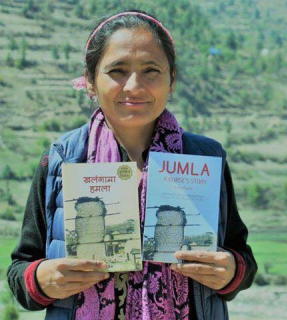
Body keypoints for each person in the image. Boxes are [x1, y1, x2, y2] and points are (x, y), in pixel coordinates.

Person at [7, 9, 257, 320]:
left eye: (151, 70)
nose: (134, 86)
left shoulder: (204, 159)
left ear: (172, 80)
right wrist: (43, 280)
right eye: (117, 71)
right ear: (89, 81)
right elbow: (21, 272)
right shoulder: (63, 159)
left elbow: (241, 259)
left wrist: (231, 271)